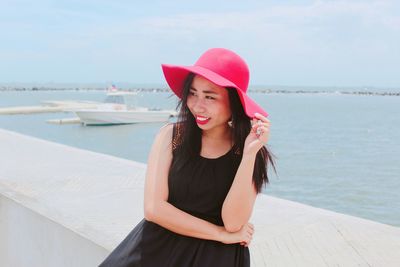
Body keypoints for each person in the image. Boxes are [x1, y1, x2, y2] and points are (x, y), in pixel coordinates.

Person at [99, 48, 275, 267]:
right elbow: (154, 209)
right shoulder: (172, 137)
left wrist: (249, 154)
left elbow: (233, 223)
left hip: (215, 259)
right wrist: (219, 234)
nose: (197, 106)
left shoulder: (248, 150)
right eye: (193, 93)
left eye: (210, 97)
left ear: (234, 103)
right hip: (158, 251)